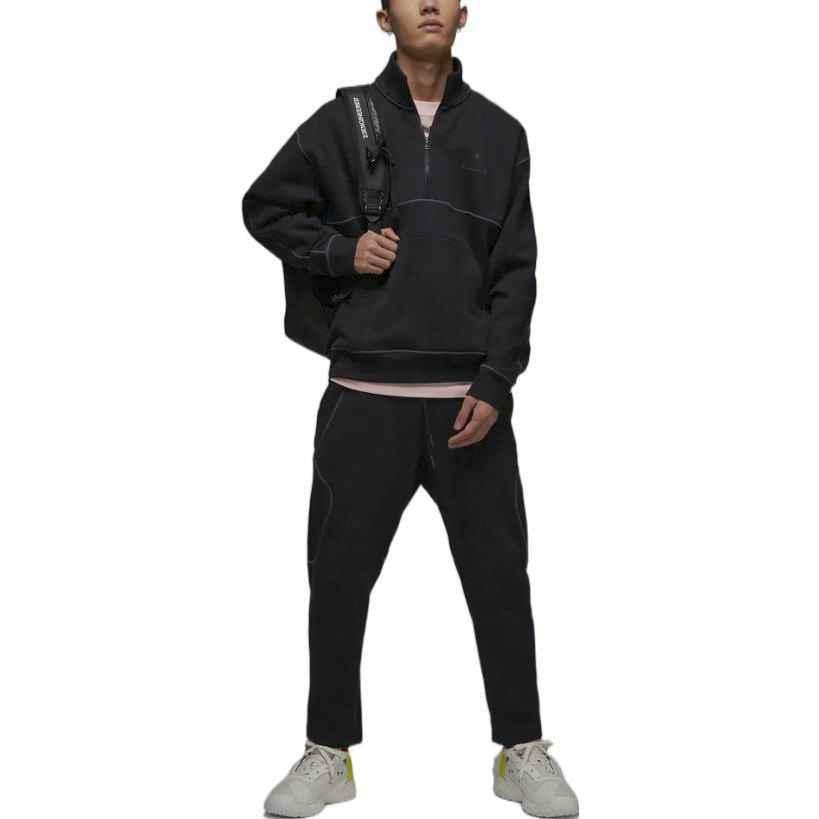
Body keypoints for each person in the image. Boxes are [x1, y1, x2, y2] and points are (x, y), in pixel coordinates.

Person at [242, 1, 579, 816]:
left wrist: (495, 380)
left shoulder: (501, 133)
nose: (427, 2)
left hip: (469, 403)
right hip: (363, 400)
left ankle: (520, 749)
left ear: (465, 12)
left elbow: (516, 270)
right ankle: (328, 753)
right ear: (380, 16)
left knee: (499, 580)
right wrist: (339, 250)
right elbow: (263, 206)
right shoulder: (340, 123)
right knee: (338, 580)